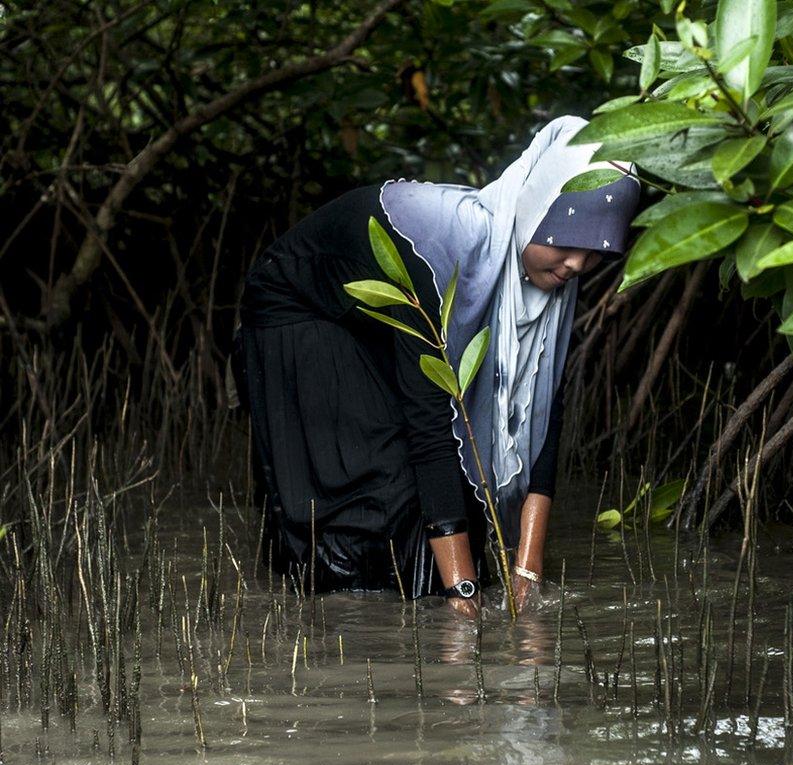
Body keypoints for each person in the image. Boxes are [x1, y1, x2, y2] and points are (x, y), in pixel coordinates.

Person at [234, 115, 640, 616]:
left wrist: (526, 572)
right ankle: (346, 619)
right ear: (533, 212)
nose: (577, 265)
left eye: (593, 252)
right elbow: (428, 420)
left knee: (450, 515)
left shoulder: (547, 279)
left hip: (374, 323)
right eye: (565, 242)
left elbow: (544, 412)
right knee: (383, 489)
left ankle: (418, 605)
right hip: (300, 310)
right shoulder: (449, 250)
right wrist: (462, 597)